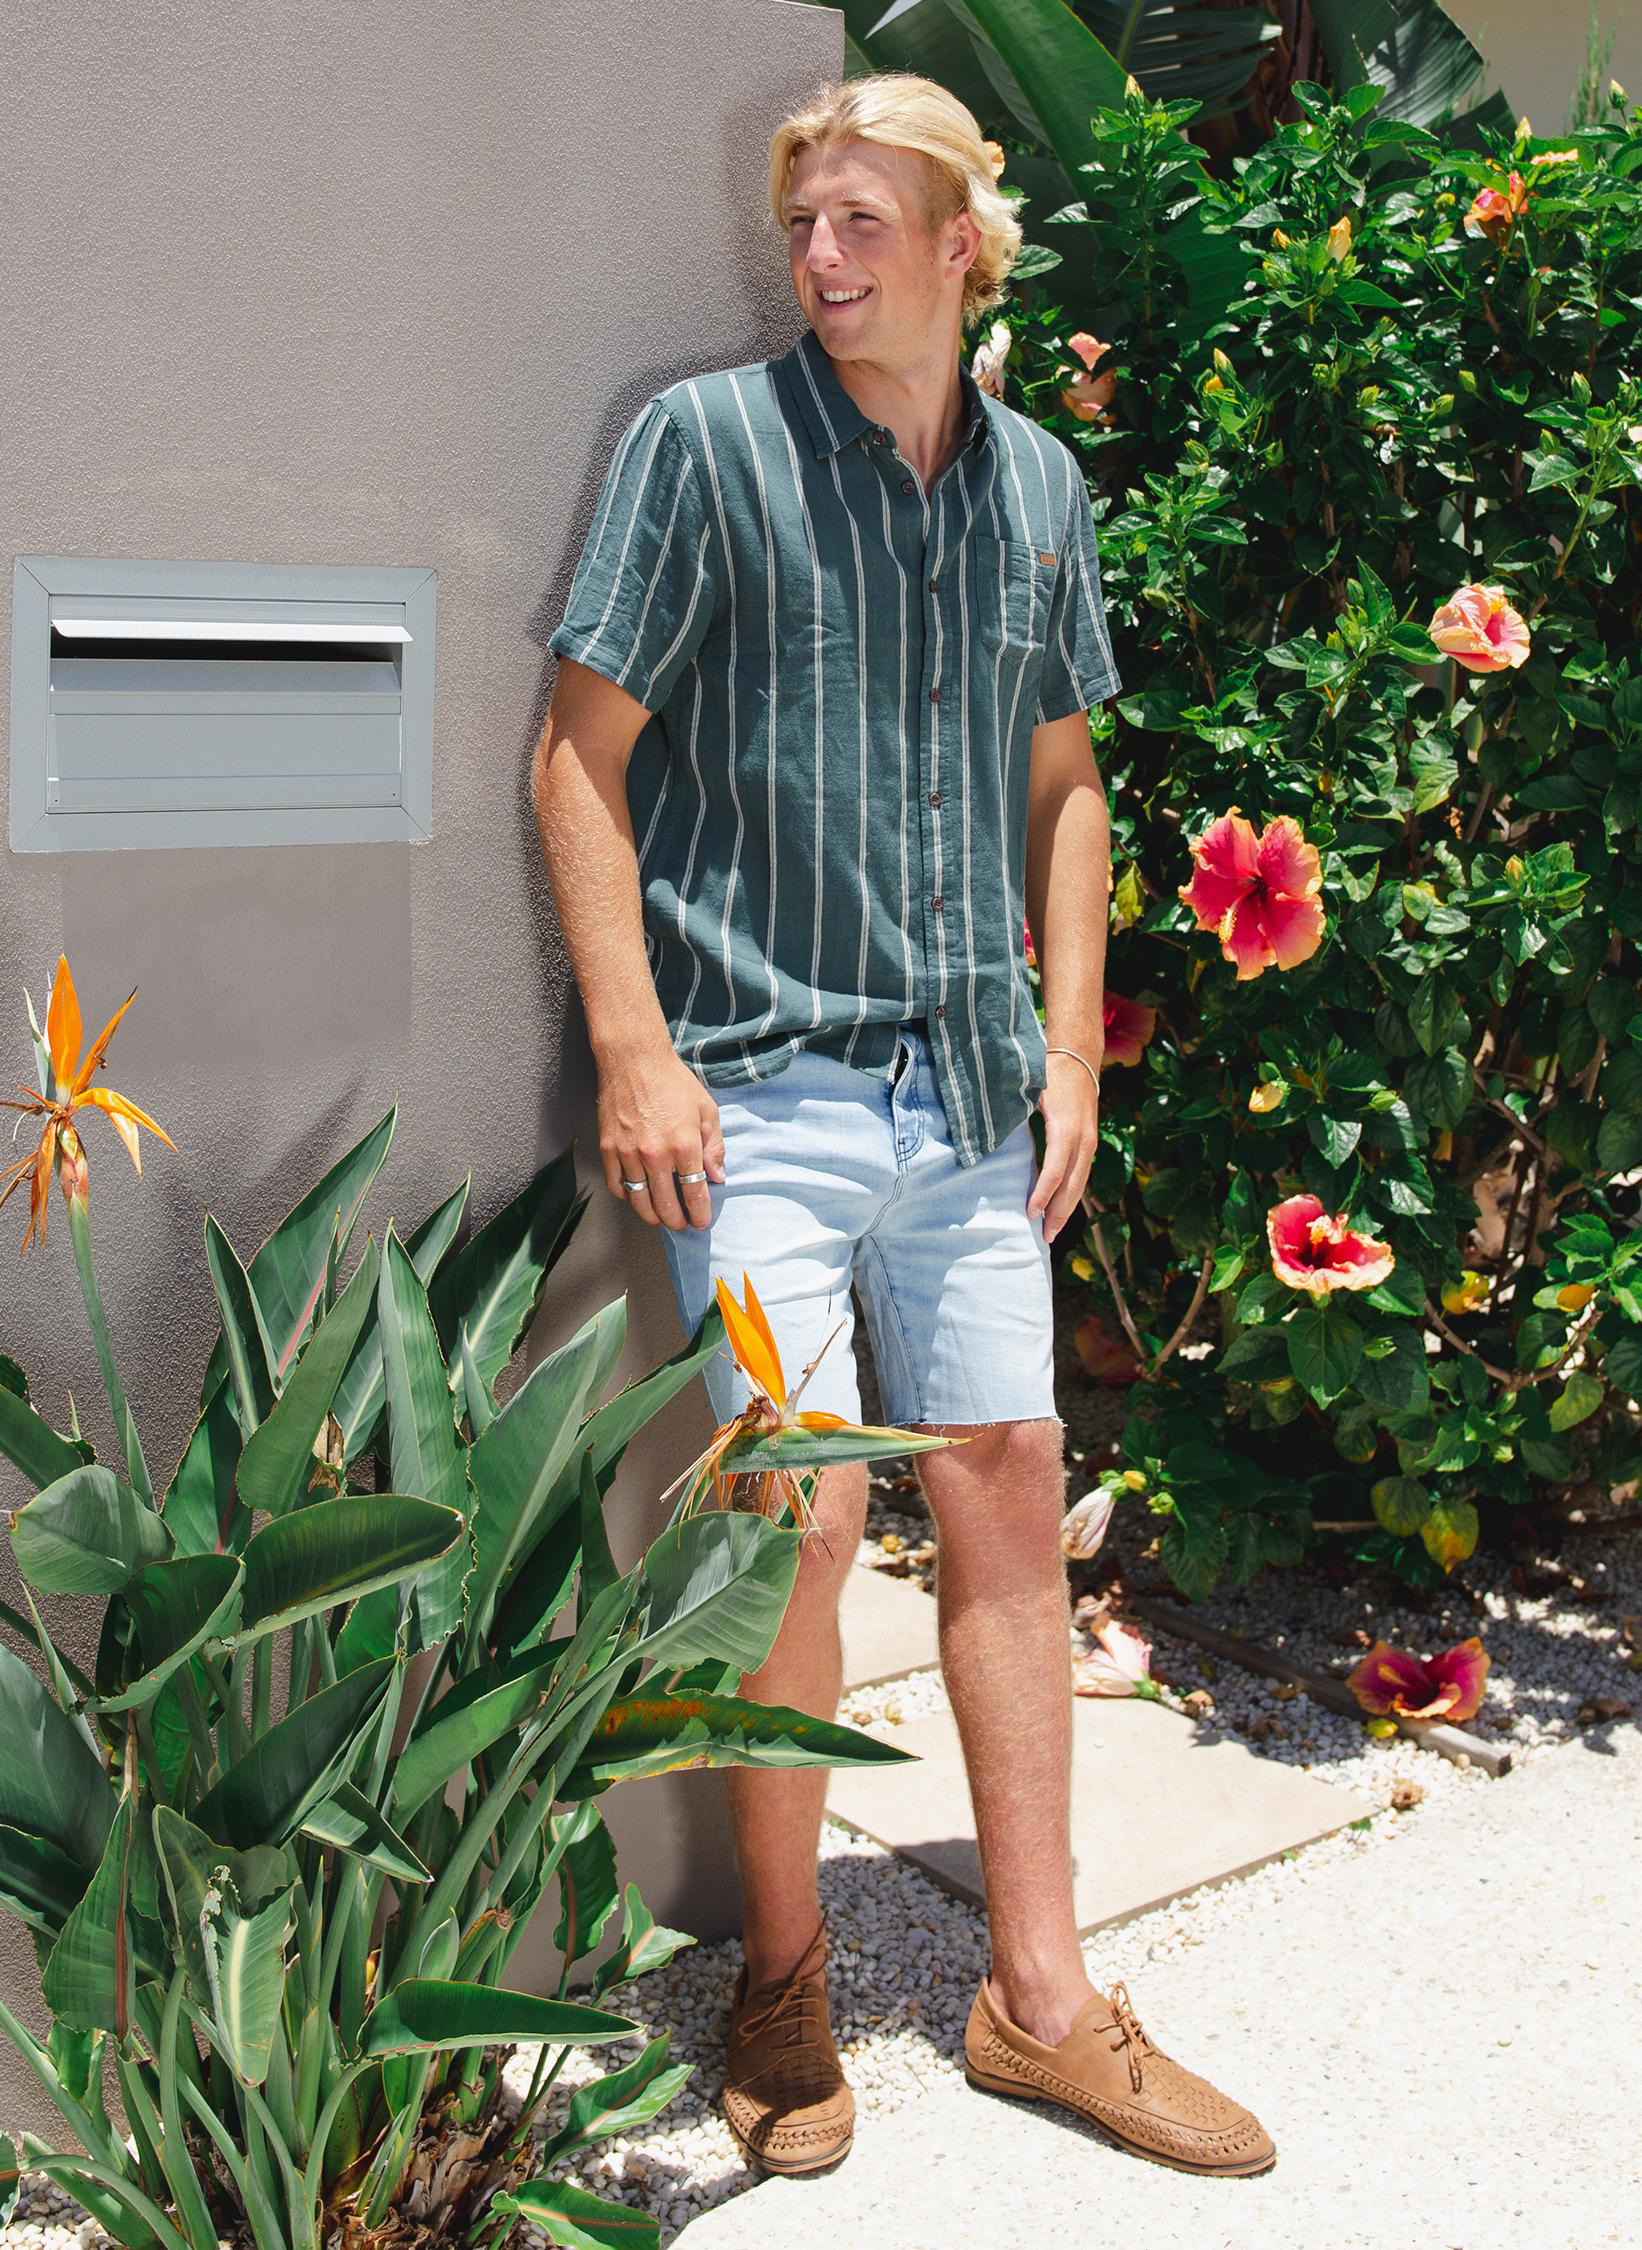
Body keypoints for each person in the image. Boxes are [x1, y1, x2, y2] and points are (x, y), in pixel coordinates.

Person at [531, 70, 1275, 2185]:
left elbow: (1067, 782)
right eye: (803, 224)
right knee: (801, 1509)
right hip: (752, 1092)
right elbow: (576, 757)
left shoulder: (1040, 485)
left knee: (1011, 1488)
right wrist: (635, 1046)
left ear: (965, 246)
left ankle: (1040, 1996)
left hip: (968, 1097)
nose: (823, 257)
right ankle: (782, 1978)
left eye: (864, 221)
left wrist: (1074, 1054)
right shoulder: (704, 448)